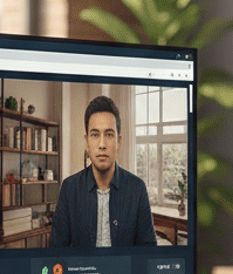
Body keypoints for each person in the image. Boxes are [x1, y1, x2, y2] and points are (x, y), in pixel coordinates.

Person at [49, 95, 155, 248]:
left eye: (109, 135)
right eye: (95, 135)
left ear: (118, 142)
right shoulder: (69, 188)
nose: (102, 144)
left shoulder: (137, 188)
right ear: (87, 142)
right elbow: (57, 252)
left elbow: (148, 252)